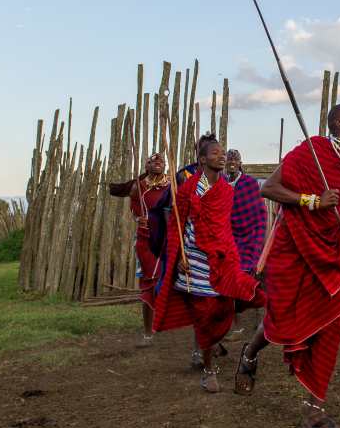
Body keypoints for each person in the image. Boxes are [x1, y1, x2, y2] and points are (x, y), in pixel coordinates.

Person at [233, 103, 340, 428]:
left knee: (332, 322)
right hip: (295, 252)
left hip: (330, 257)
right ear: (339, 122)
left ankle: (314, 412)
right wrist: (313, 201)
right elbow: (270, 188)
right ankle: (250, 352)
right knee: (283, 318)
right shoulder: (313, 150)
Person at [154, 135, 263, 392]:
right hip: (195, 261)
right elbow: (177, 225)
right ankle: (208, 369)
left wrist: (233, 252)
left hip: (222, 257)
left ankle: (221, 344)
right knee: (204, 316)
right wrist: (179, 255)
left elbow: (226, 225)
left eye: (223, 152)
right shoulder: (189, 188)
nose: (222, 156)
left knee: (231, 305)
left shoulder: (227, 190)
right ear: (202, 159)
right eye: (215, 153)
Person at [109, 152, 173, 347]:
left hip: (167, 240)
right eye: (153, 161)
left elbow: (176, 209)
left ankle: (175, 322)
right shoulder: (139, 185)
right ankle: (147, 332)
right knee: (149, 285)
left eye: (161, 161)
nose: (158, 164)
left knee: (171, 283)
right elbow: (132, 208)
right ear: (147, 165)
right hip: (145, 240)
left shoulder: (172, 186)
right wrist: (139, 219)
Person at [223, 149, 267, 276]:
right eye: (229, 159)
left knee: (245, 277)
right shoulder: (220, 184)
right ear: (225, 162)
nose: (232, 161)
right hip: (227, 238)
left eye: (235, 159)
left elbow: (260, 214)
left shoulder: (250, 184)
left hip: (248, 239)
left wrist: (258, 239)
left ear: (240, 163)